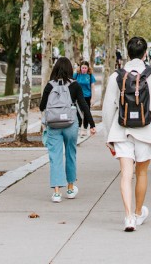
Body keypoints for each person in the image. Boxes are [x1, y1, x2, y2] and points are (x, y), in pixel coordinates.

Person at [103, 36, 151, 231]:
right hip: (145, 131)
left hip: (121, 131)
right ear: (145, 53)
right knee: (142, 173)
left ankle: (128, 216)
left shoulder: (116, 76)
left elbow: (108, 109)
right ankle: (139, 212)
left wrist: (109, 135)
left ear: (127, 52)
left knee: (125, 175)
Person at [40, 57, 96, 203]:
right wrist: (91, 124)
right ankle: (70, 189)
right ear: (70, 70)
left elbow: (42, 106)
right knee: (71, 154)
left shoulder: (50, 85)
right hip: (71, 124)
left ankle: (57, 193)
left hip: (53, 125)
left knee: (55, 157)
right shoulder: (75, 85)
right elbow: (84, 105)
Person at [73, 62, 96, 137]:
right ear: (80, 68)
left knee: (86, 113)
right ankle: (79, 128)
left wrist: (93, 98)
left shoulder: (90, 76)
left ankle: (85, 129)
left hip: (87, 97)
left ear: (88, 68)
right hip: (78, 97)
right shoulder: (76, 75)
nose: (84, 69)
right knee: (78, 113)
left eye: (85, 68)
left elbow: (92, 87)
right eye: (82, 68)